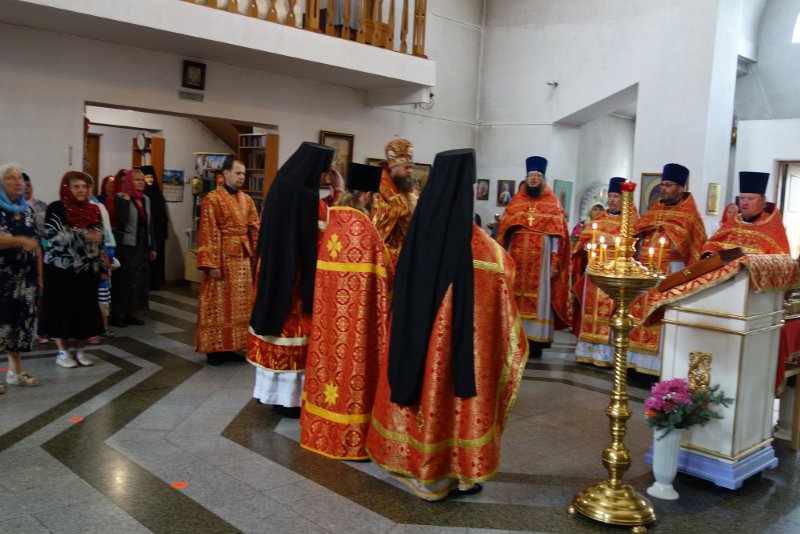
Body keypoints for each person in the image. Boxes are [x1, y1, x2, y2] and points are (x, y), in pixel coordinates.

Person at [366, 148, 529, 501]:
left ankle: (407, 460)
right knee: (445, 394)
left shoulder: (419, 227)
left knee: (415, 385)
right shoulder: (478, 246)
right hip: (450, 348)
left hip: (411, 338)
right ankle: (443, 473)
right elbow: (503, 276)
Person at [299, 162, 389, 460]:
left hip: (329, 322)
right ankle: (349, 438)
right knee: (352, 372)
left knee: (329, 370)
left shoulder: (335, 220)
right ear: (368, 196)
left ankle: (321, 429)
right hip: (355, 325)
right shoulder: (365, 229)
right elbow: (384, 274)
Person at [248, 142, 334, 418]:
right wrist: (341, 195)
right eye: (323, 174)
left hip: (273, 274)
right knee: (295, 334)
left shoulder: (280, 187)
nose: (322, 180)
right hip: (296, 281)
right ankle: (290, 401)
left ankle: (271, 394)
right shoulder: (309, 200)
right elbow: (327, 235)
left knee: (275, 330)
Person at [630, 163, 706, 368]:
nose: (663, 189)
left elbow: (695, 249)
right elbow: (638, 232)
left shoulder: (690, 215)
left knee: (663, 317)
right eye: (662, 184)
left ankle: (657, 367)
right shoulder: (654, 210)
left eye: (669, 185)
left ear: (681, 188)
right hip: (645, 272)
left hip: (671, 272)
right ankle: (636, 363)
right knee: (640, 314)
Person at [495, 156, 570, 357]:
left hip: (542, 259)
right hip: (517, 258)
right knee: (514, 295)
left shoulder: (553, 203)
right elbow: (503, 231)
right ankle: (513, 338)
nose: (534, 179)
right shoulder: (516, 201)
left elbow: (558, 237)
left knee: (541, 297)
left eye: (537, 175)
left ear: (543, 179)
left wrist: (554, 262)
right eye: (530, 175)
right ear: (526, 178)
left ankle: (535, 342)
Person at [572, 178, 646, 370]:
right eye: (610, 196)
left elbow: (636, 247)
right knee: (591, 310)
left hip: (617, 275)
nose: (612, 200)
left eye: (616, 196)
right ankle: (587, 352)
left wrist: (614, 242)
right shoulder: (599, 220)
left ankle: (607, 354)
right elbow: (583, 243)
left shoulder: (633, 222)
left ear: (625, 199)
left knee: (612, 311)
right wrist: (588, 245)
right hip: (595, 272)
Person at [195, 157, 259, 365]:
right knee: (218, 304)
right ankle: (214, 350)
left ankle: (232, 346)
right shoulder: (212, 199)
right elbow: (208, 230)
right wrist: (211, 263)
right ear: (226, 174)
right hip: (221, 259)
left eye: (244, 174)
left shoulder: (247, 200)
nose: (242, 177)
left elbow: (254, 228)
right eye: (238, 173)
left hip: (242, 260)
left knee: (240, 306)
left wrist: (259, 255)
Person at [38, 171, 105, 368]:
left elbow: (100, 237)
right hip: (60, 270)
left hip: (88, 269)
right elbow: (53, 236)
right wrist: (84, 234)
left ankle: (81, 351)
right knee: (62, 310)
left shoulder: (94, 209)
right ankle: (62, 352)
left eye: (84, 186)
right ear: (67, 188)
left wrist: (102, 266)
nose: (81, 190)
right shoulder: (56, 208)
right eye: (76, 186)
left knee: (85, 310)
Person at [0, 163, 41, 391]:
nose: (18, 182)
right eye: (11, 178)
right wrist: (19, 241)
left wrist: (40, 277)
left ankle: (15, 372)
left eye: (19, 178)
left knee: (18, 326)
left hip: (25, 279)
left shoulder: (28, 211)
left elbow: (37, 245)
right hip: (3, 278)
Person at [702, 172, 790, 256]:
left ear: (763, 201)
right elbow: (712, 244)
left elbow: (781, 258)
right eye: (742, 198)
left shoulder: (772, 227)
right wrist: (710, 253)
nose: (744, 203)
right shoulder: (732, 222)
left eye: (750, 199)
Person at [111, 169, 156, 327]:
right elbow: (121, 220)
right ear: (130, 181)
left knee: (138, 281)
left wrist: (153, 247)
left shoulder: (145, 199)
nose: (141, 183)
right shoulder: (120, 198)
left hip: (142, 245)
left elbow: (150, 224)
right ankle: (119, 315)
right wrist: (125, 200)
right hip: (126, 246)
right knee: (125, 281)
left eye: (142, 180)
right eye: (137, 180)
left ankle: (132, 312)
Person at [370, 138, 418, 267]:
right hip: (388, 258)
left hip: (411, 256)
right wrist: (403, 209)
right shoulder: (380, 190)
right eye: (406, 167)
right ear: (394, 167)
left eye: (411, 167)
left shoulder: (412, 192)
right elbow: (375, 224)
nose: (410, 171)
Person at [140, 166, 168, 290]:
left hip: (158, 232)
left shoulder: (158, 195)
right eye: (146, 177)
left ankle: (156, 281)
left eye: (151, 177)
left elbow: (163, 217)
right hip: (147, 232)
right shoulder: (141, 197)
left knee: (158, 258)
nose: (150, 180)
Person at [22, 172, 47, 237]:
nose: (26, 188)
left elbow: (47, 230)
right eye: (23, 186)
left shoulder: (42, 205)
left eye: (28, 185)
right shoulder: (13, 208)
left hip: (42, 240)